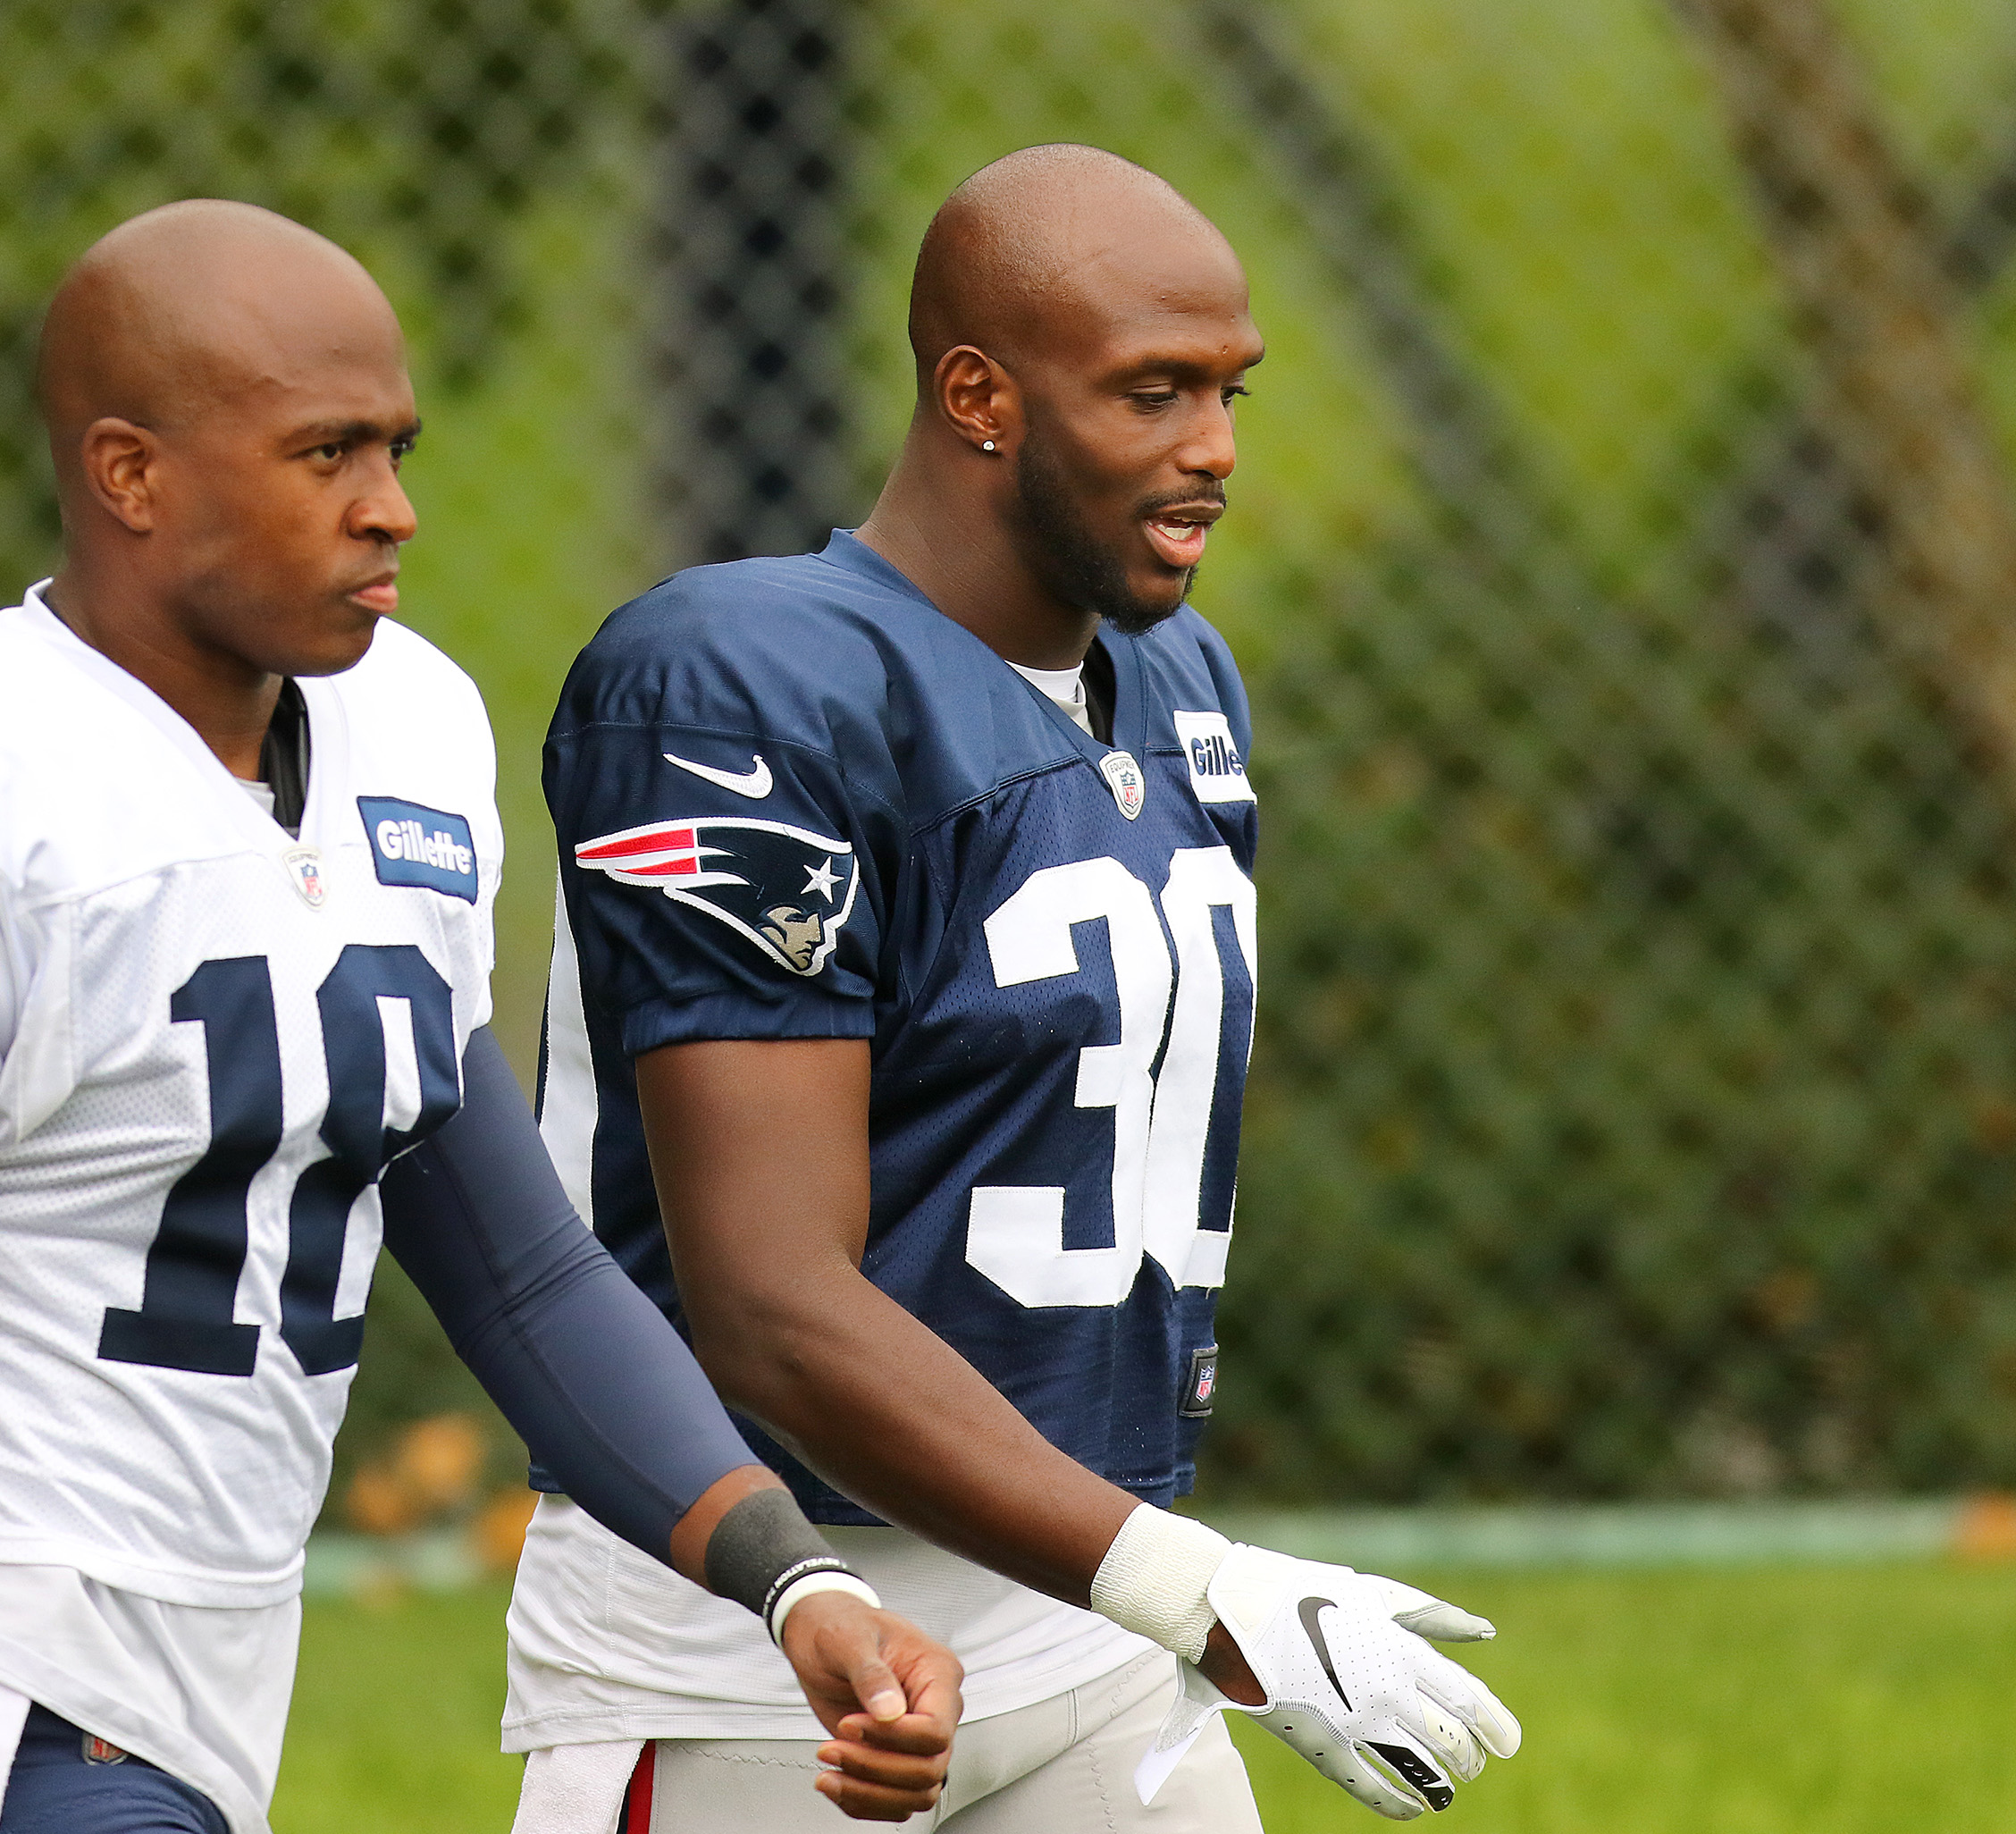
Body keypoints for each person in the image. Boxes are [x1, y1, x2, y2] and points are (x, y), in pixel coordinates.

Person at [0, 198, 961, 1834]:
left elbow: (520, 1265)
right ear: (129, 475)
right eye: (328, 455)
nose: (396, 511)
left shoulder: (408, 730)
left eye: (399, 447)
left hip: (211, 1667)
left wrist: (795, 1588)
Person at [505, 145, 1524, 1831]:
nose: (1214, 450)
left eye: (1230, 391)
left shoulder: (1179, 675)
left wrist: (1154, 1593)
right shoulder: (741, 681)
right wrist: (1195, 1588)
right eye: (1153, 393)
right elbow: (763, 1299)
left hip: (1098, 1618)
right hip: (762, 1642)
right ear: (978, 393)